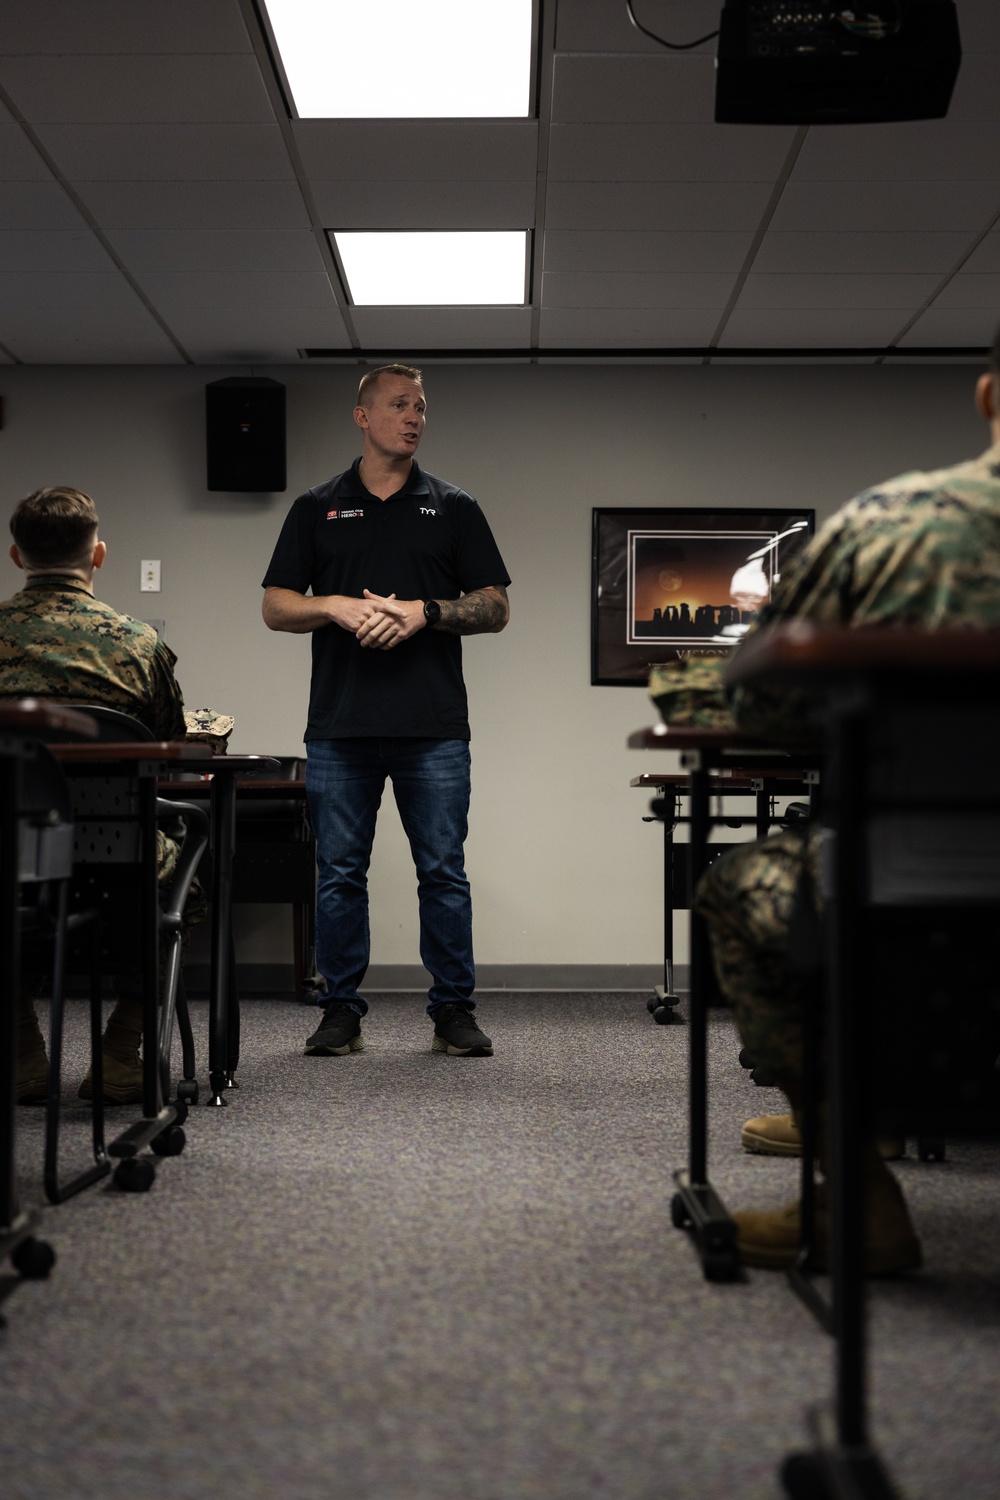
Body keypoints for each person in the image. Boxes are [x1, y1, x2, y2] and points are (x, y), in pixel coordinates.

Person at [650, 333, 1000, 1271]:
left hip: (926, 880)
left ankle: (859, 1190)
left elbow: (764, 705)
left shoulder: (891, 522)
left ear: (987, 395)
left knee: (737, 884)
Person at [262, 364, 510, 1058]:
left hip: (433, 729)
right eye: (400, 405)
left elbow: (496, 607)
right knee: (340, 874)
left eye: (422, 407)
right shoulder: (316, 508)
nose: (415, 417)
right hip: (341, 729)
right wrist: (333, 605)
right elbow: (276, 605)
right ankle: (340, 1010)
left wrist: (422, 612)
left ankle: (453, 1011)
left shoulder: (454, 506)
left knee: (443, 872)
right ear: (362, 416)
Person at [1, 485, 197, 1104]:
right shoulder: (138, 645)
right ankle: (119, 1053)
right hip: (117, 855)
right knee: (191, 861)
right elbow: (170, 750)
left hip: (14, 852)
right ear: (100, 555)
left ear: (15, 555)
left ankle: (24, 1052)